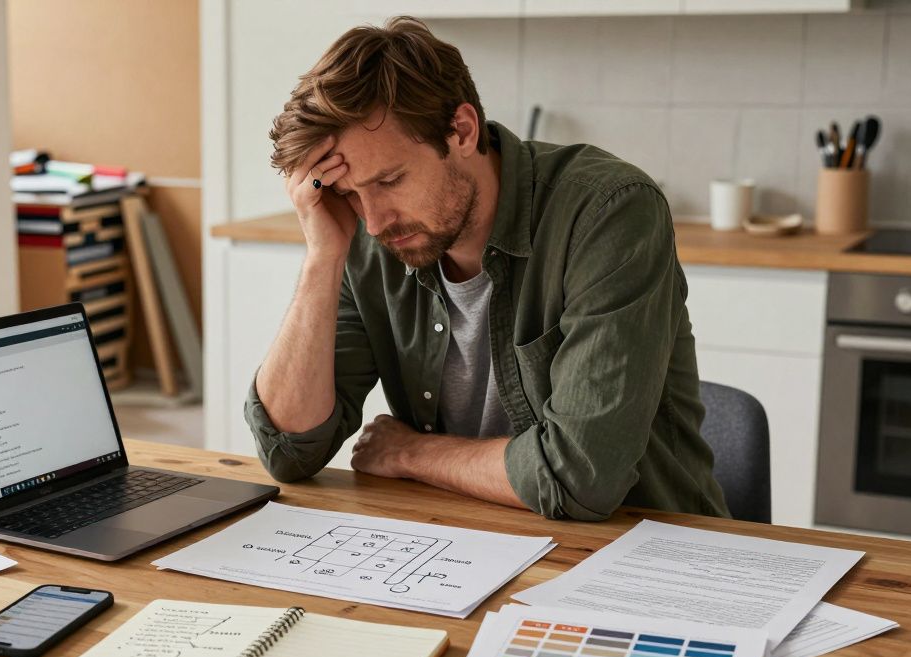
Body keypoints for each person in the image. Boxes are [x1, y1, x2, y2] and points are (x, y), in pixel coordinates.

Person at [244, 16, 729, 521]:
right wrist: (322, 258)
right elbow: (289, 450)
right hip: (465, 541)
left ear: (462, 130)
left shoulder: (608, 211)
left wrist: (410, 453)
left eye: (390, 181)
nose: (374, 221)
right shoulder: (369, 236)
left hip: (642, 553)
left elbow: (581, 478)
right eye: (349, 194)